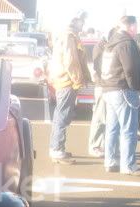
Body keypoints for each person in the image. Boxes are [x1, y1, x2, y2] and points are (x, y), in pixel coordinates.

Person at [101, 16, 140, 176]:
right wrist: (136, 87)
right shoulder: (126, 43)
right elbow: (131, 68)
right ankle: (128, 165)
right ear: (132, 26)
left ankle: (110, 161)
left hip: (110, 88)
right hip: (124, 89)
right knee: (129, 129)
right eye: (135, 27)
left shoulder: (111, 43)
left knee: (112, 128)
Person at [48, 12, 90, 164]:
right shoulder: (69, 37)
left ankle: (56, 148)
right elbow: (70, 60)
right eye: (82, 21)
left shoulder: (65, 35)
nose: (83, 24)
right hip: (66, 81)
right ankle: (57, 150)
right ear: (75, 21)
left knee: (61, 114)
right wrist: (78, 80)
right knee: (63, 115)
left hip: (63, 80)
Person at [89, 31, 113, 158]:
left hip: (107, 86)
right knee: (99, 117)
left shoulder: (106, 46)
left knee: (106, 117)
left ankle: (102, 145)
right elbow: (98, 68)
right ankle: (95, 146)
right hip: (102, 86)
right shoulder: (100, 47)